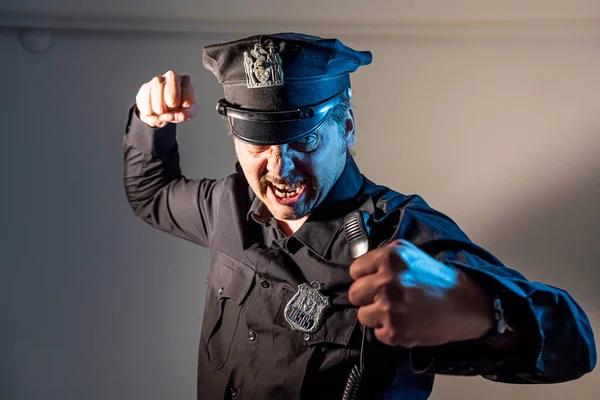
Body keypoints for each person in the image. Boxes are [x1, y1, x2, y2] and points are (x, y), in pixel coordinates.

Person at [122, 33, 596, 400]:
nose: (279, 166)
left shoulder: (402, 237)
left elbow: (575, 346)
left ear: (346, 128)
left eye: (303, 141)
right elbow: (151, 194)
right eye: (257, 145)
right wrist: (150, 122)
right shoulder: (228, 205)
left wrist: (478, 310)